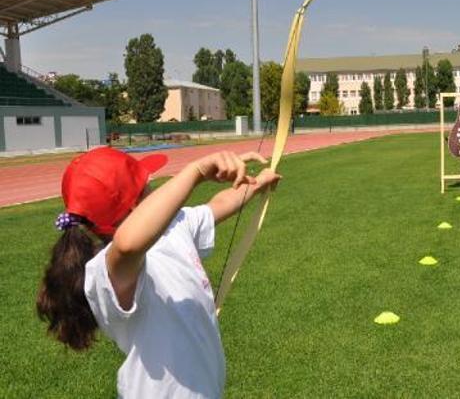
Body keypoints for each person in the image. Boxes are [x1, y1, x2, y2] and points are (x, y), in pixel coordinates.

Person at [36, 147, 281, 398]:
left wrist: (258, 182)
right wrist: (195, 172)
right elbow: (128, 243)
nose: (152, 182)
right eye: (144, 182)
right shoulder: (107, 269)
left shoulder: (174, 226)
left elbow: (217, 205)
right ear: (133, 205)